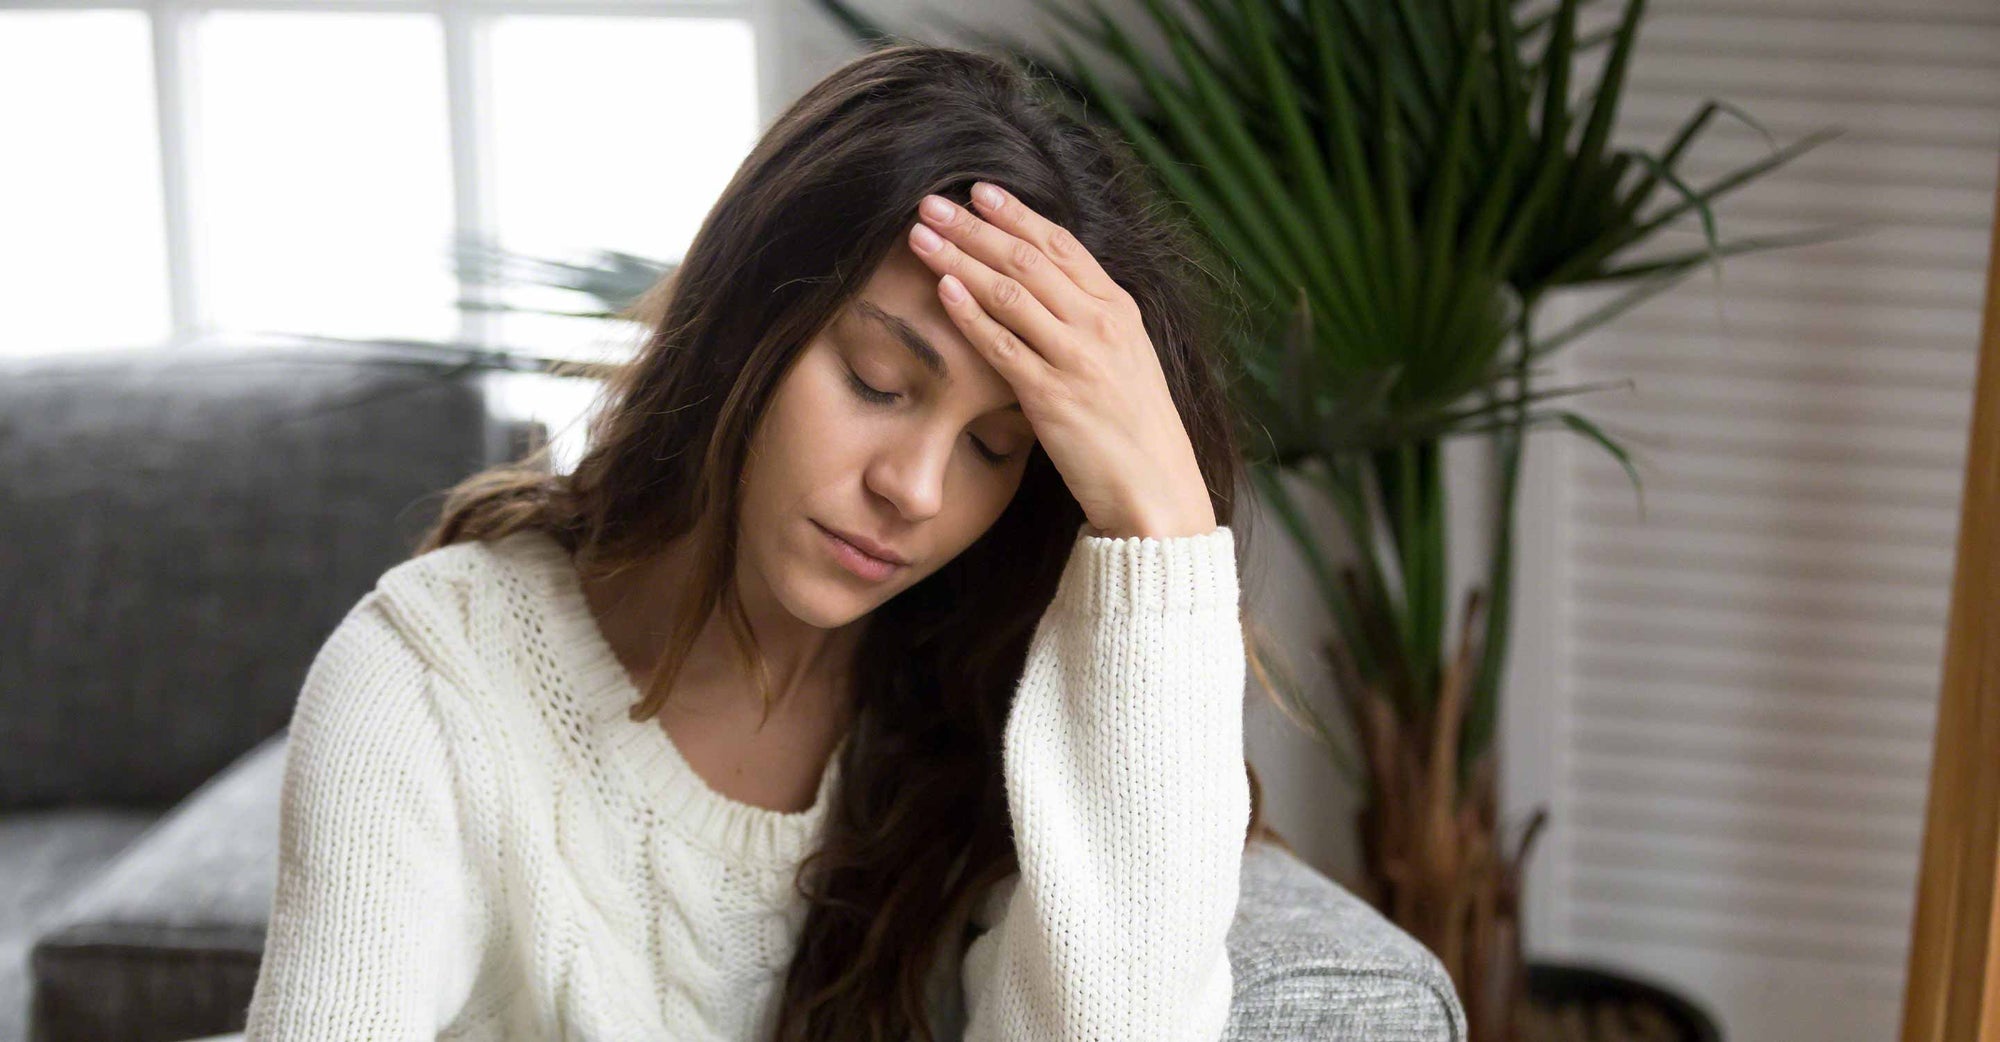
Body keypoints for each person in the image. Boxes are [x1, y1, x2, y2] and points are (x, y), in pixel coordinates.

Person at [243, 41, 1283, 1042]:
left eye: (992, 447)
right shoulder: (427, 679)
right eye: (877, 382)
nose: (913, 490)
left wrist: (1164, 529)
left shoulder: (999, 705)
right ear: (747, 317)